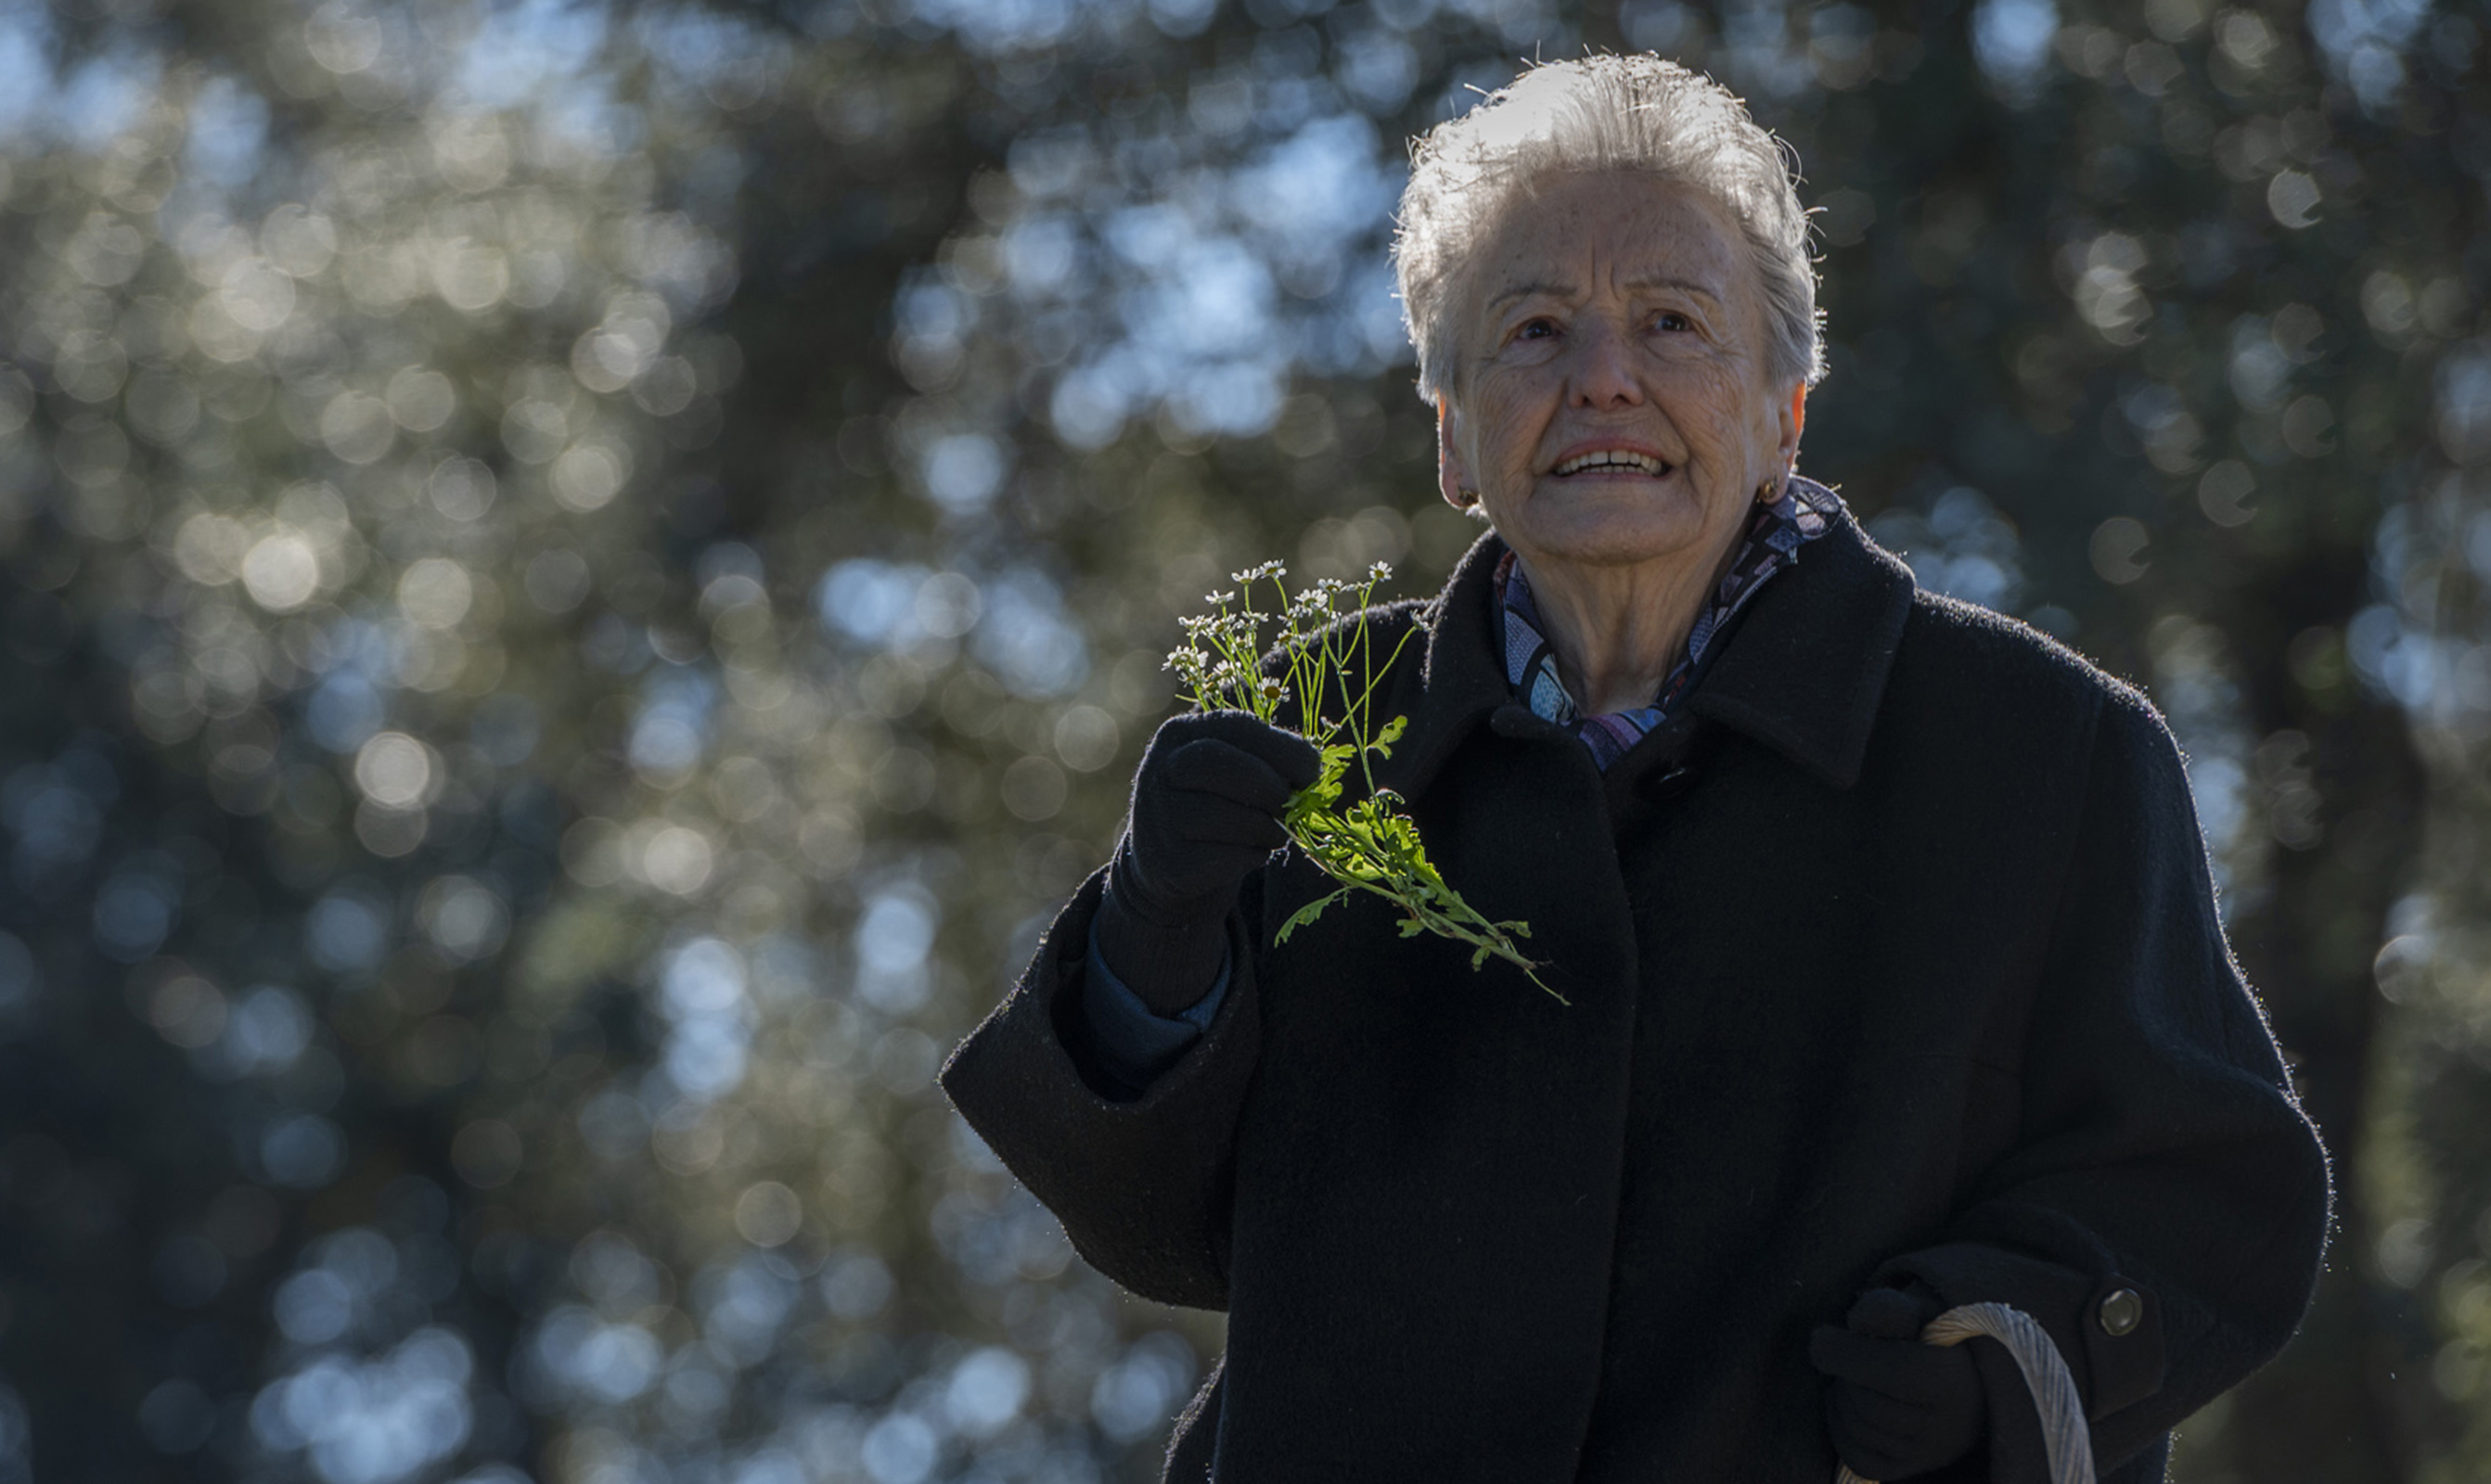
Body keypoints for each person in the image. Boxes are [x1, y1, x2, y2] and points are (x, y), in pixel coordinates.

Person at [942, 54, 2327, 1483]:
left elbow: (2214, 1195)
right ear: (1452, 438)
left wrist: (1999, 1352)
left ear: (1785, 411)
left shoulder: (2043, 753)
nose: (1603, 377)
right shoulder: (1323, 725)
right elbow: (1155, 1230)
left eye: (1672, 323)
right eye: (1533, 330)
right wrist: (1151, 948)